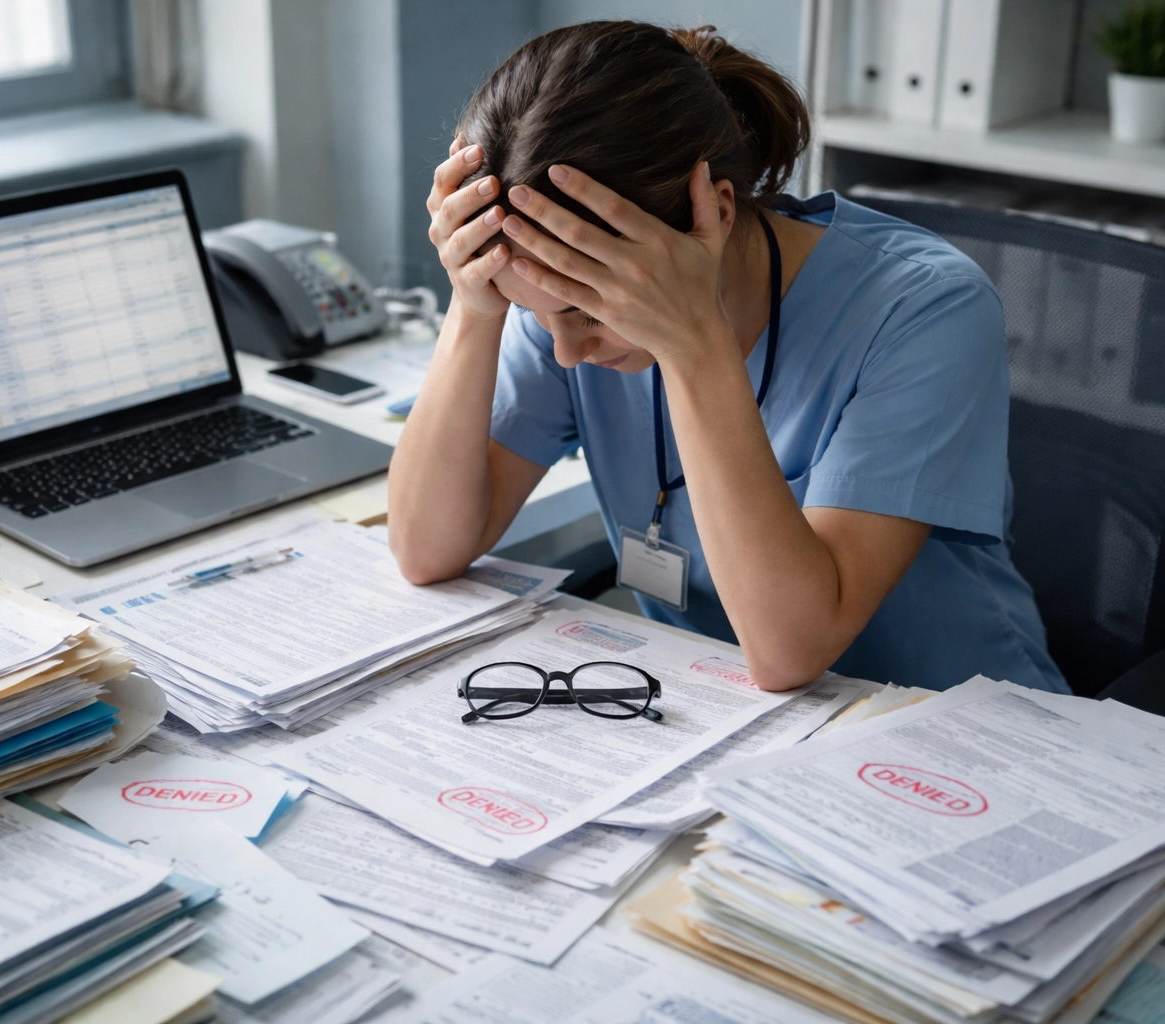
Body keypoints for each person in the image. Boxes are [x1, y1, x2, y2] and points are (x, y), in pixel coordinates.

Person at [387, 21, 1067, 695]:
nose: (565, 353)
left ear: (713, 212)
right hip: (722, 707)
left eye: (589, 315)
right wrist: (476, 305)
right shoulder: (563, 295)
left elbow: (789, 651)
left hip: (949, 718)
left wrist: (692, 344)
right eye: (531, 310)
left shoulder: (927, 309)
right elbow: (424, 550)